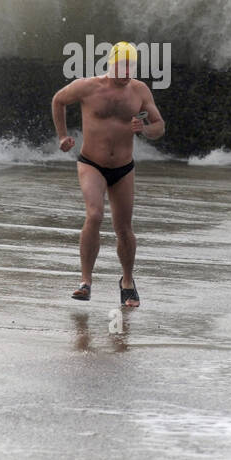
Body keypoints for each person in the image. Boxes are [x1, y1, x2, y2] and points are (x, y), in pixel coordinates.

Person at [51, 41, 165, 307]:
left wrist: (144, 130)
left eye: (132, 66)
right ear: (111, 63)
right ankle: (85, 281)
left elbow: (159, 125)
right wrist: (63, 136)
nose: (127, 71)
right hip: (91, 163)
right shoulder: (87, 87)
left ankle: (127, 282)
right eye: (123, 65)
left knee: (123, 228)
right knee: (94, 214)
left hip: (123, 168)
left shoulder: (139, 91)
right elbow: (59, 100)